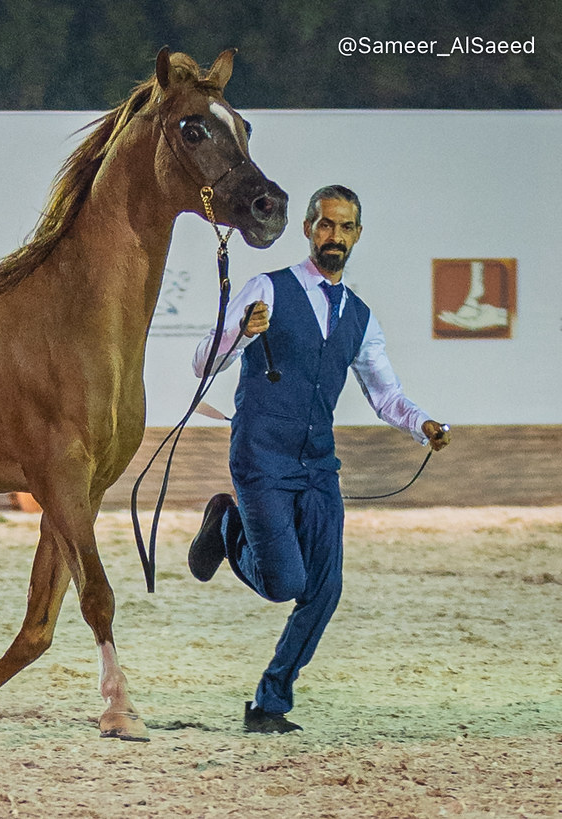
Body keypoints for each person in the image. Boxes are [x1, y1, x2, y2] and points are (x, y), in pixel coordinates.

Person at [188, 185, 451, 733]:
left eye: (346, 227)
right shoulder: (269, 288)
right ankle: (227, 522)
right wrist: (240, 329)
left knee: (325, 589)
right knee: (285, 582)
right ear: (308, 228)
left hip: (317, 465)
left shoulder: (360, 316)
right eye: (325, 225)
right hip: (260, 455)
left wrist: (422, 425)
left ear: (357, 235)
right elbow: (202, 362)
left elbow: (385, 395)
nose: (335, 236)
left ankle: (268, 705)